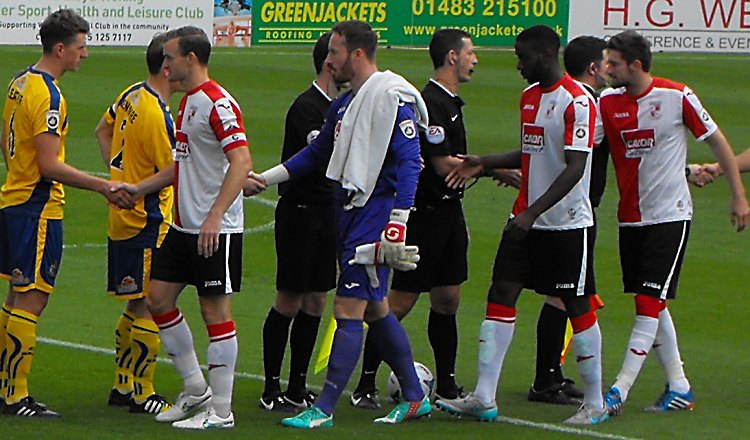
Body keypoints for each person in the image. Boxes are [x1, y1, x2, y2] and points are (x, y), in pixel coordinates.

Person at [245, 20, 431, 429]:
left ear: (357, 54)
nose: (328, 61)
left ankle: (324, 409)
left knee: (348, 310)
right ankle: (416, 397)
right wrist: (265, 179)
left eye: (334, 52)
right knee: (377, 310)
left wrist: (397, 222)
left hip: (374, 219)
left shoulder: (391, 98)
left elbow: (411, 161)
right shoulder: (344, 105)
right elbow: (314, 155)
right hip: (347, 214)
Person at [435, 25, 608, 425]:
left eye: (523, 57)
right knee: (501, 292)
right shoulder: (530, 97)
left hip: (566, 224)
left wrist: (533, 212)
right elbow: (532, 151)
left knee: (576, 304)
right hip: (525, 219)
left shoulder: (578, 101)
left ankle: (595, 402)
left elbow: (575, 166)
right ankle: (484, 396)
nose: (518, 65)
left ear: (545, 57)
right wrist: (486, 161)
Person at [599, 30, 748, 416]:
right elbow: (582, 150)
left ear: (636, 65)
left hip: (670, 214)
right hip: (630, 218)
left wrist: (738, 195)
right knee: (653, 300)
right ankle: (679, 385)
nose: (606, 69)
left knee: (649, 301)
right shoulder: (607, 103)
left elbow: (718, 143)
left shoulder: (677, 96)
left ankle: (618, 391)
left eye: (613, 63)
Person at [0, 9, 134, 417]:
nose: (85, 54)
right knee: (33, 300)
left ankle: (6, 389)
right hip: (37, 208)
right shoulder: (49, 95)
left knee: (15, 297)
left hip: (13, 200)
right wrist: (104, 186)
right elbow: (49, 166)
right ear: (61, 48)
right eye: (80, 46)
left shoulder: (19, 83)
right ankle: (15, 396)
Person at [127, 26, 253, 430]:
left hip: (215, 230)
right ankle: (196, 388)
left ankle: (221, 411)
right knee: (158, 299)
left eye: (169, 58)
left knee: (214, 311)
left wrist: (216, 213)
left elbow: (242, 161)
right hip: (183, 228)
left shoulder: (218, 103)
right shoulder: (188, 104)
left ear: (191, 59)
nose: (164, 65)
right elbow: (183, 163)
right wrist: (140, 188)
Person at [350, 28, 477, 409]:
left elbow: (456, 171)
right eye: (470, 53)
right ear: (452, 57)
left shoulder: (452, 102)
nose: (475, 60)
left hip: (449, 215)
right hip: (424, 219)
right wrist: (492, 168)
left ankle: (449, 386)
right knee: (398, 302)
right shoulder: (430, 102)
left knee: (448, 299)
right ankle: (365, 384)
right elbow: (441, 165)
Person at [94, 33, 181, 415]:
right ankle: (143, 392)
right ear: (167, 66)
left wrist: (117, 175)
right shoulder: (156, 114)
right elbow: (169, 172)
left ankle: (123, 384)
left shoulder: (130, 94)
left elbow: (102, 129)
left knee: (134, 303)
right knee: (150, 304)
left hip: (122, 216)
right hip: (149, 219)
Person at [525, 35, 610, 407]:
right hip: (574, 213)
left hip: (563, 211)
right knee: (568, 297)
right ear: (594, 67)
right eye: (607, 63)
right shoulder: (588, 104)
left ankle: (549, 376)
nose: (611, 69)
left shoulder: (573, 99)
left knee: (560, 295)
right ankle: (548, 380)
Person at [259, 31, 339, 412]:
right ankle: (271, 386)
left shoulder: (341, 106)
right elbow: (316, 159)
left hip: (329, 214)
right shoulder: (306, 108)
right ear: (329, 62)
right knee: (289, 299)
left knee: (317, 299)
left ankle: (297, 385)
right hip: (301, 214)